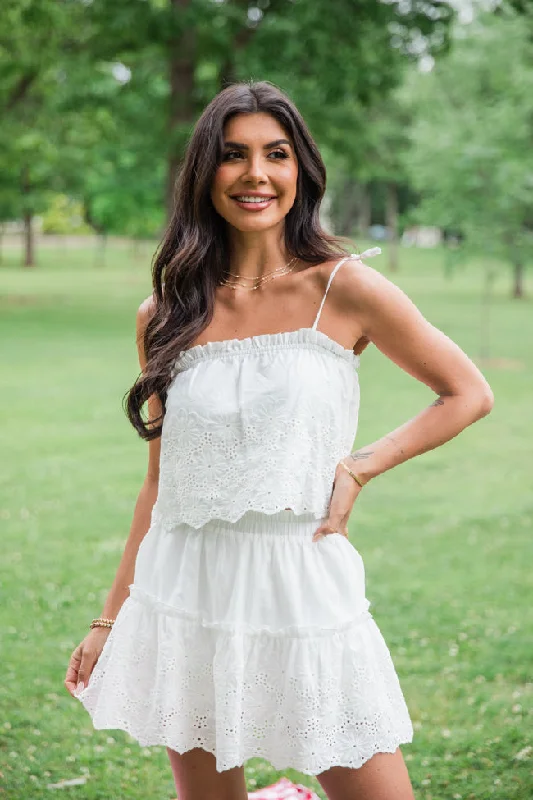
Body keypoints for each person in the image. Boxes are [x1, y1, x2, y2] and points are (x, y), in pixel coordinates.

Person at [64, 80, 494, 800]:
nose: (255, 174)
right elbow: (159, 484)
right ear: (206, 172)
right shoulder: (167, 312)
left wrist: (360, 467)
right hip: (185, 586)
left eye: (276, 155)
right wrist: (111, 617)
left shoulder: (345, 287)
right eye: (233, 156)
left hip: (301, 580)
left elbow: (466, 392)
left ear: (302, 171)